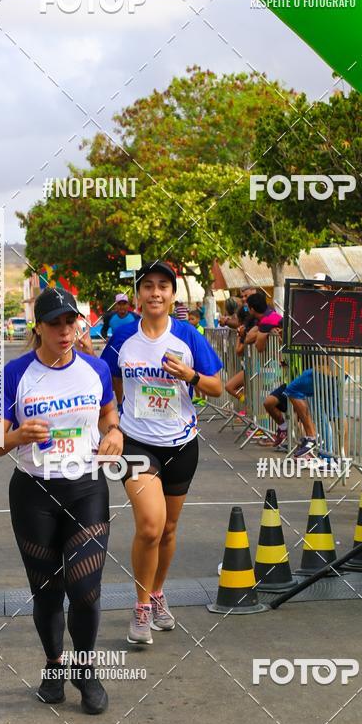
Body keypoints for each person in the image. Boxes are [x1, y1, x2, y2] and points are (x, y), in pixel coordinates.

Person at [0, 286, 122, 714]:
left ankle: (85, 671)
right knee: (47, 593)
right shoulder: (13, 373)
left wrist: (115, 433)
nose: (65, 331)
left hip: (85, 489)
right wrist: (16, 436)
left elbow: (108, 413)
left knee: (85, 591)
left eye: (70, 322)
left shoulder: (95, 369)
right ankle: (54, 665)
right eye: (55, 323)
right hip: (34, 493)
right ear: (38, 327)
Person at [101, 261, 222, 646]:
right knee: (151, 525)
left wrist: (191, 377)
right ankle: (139, 607)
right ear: (138, 295)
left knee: (169, 528)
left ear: (172, 295)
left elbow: (217, 387)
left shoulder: (189, 335)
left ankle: (156, 593)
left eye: (163, 286)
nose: (155, 293)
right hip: (136, 443)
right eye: (148, 286)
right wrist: (112, 425)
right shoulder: (122, 336)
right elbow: (107, 381)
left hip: (181, 443)